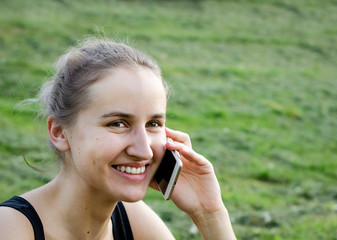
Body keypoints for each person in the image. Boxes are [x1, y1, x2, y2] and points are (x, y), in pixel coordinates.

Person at [0, 37, 236, 240]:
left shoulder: (134, 221)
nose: (144, 151)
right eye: (118, 124)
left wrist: (210, 213)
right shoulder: (11, 229)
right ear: (60, 132)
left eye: (153, 124)